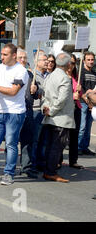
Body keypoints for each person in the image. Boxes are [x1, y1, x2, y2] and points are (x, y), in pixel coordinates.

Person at [0, 43, 28, 185]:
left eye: (5, 55)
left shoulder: (21, 71)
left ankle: (9, 174)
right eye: (1, 54)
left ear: (14, 56)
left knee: (11, 144)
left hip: (15, 113)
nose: (1, 57)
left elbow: (13, 91)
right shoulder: (1, 67)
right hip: (1, 111)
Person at [41, 52, 75, 183]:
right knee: (56, 146)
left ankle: (49, 170)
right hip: (60, 118)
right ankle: (50, 172)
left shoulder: (50, 76)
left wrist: (46, 108)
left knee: (50, 145)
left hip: (51, 116)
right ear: (68, 64)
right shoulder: (65, 78)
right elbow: (62, 100)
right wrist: (52, 111)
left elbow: (44, 94)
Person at [17, 48, 39, 178]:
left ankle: (26, 167)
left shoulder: (30, 75)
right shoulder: (10, 72)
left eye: (25, 58)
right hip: (14, 111)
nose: (23, 60)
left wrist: (36, 90)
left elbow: (36, 95)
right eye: (21, 58)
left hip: (28, 110)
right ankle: (10, 167)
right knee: (12, 141)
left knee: (27, 140)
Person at [60, 54, 84, 169]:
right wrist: (72, 95)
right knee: (63, 136)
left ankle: (73, 160)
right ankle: (58, 160)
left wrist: (79, 91)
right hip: (65, 110)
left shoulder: (75, 77)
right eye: (70, 62)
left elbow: (78, 95)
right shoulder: (61, 76)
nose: (71, 65)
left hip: (76, 109)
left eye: (74, 63)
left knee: (74, 135)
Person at [32, 51, 50, 173]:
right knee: (35, 139)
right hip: (36, 110)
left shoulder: (50, 76)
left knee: (44, 139)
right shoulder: (31, 75)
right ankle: (32, 164)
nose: (47, 62)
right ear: (37, 62)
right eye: (44, 60)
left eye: (47, 60)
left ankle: (41, 162)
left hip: (47, 110)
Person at [77, 51, 96, 156]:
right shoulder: (81, 73)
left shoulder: (94, 73)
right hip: (83, 103)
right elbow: (81, 91)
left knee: (88, 127)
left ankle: (85, 147)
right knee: (82, 126)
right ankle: (78, 146)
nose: (90, 61)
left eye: (92, 59)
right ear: (84, 61)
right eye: (88, 59)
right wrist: (88, 102)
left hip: (92, 105)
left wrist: (92, 103)